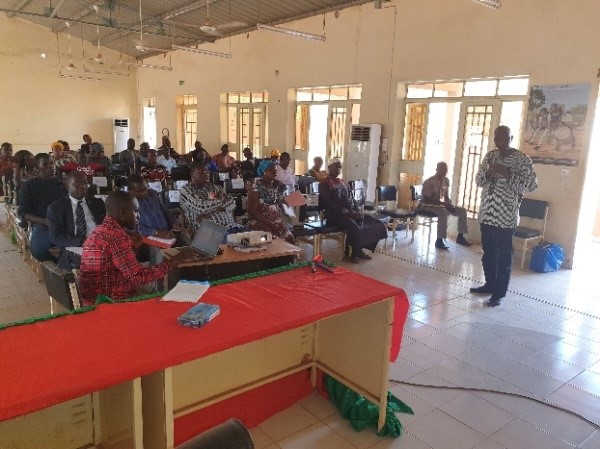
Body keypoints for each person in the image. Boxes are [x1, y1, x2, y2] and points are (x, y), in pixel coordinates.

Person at [79, 191, 196, 305]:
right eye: (135, 211)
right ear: (122, 212)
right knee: (166, 284)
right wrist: (175, 261)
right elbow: (137, 277)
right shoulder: (117, 236)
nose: (138, 216)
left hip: (96, 297)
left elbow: (120, 266)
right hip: (112, 301)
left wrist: (134, 248)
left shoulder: (101, 230)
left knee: (157, 270)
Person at [470, 125, 537, 307]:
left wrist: (507, 174)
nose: (499, 141)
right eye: (496, 138)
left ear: (511, 138)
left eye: (503, 138)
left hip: (505, 218)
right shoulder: (490, 156)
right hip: (487, 214)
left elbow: (531, 185)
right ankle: (490, 284)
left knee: (504, 256)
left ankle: (499, 293)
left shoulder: (522, 159)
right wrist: (489, 173)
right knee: (488, 253)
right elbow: (478, 180)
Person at [319, 158, 387, 263]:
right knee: (354, 226)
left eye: (340, 166)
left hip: (349, 212)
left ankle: (359, 249)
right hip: (334, 214)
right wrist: (348, 212)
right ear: (329, 167)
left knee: (372, 222)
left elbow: (352, 199)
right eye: (336, 166)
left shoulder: (342, 182)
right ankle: (352, 253)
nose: (338, 169)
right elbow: (329, 204)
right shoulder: (324, 183)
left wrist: (358, 210)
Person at [47, 171, 105, 269]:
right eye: (76, 184)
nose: (83, 186)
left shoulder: (98, 203)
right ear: (67, 187)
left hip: (98, 244)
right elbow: (55, 236)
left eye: (85, 183)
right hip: (75, 247)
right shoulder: (56, 208)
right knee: (92, 260)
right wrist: (82, 241)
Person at [18, 153, 67, 261]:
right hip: (44, 224)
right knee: (38, 250)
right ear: (37, 168)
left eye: (52, 163)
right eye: (45, 164)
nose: (51, 166)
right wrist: (45, 221)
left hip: (66, 222)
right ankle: (57, 265)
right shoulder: (28, 186)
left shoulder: (62, 184)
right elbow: (24, 213)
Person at [128, 174, 183, 265]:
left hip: (165, 232)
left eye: (146, 188)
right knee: (159, 253)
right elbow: (133, 227)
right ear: (131, 190)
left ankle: (181, 272)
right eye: (140, 191)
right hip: (145, 237)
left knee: (185, 243)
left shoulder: (152, 193)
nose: (144, 192)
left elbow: (164, 210)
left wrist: (173, 223)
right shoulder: (128, 203)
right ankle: (157, 276)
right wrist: (156, 232)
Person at [418, 161, 471, 249]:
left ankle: (460, 237)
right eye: (442, 169)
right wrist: (444, 204)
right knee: (442, 211)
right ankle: (439, 240)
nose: (445, 172)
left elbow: (445, 196)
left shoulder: (446, 181)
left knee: (462, 211)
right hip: (425, 206)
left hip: (438, 205)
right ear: (437, 169)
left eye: (446, 170)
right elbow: (427, 199)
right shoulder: (429, 182)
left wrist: (449, 204)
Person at [179, 162, 240, 233]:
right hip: (208, 231)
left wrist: (209, 213)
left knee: (250, 238)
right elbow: (201, 208)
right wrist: (221, 201)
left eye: (206, 171)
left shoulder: (214, 187)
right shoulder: (186, 190)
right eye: (201, 172)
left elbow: (231, 201)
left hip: (231, 226)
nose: (205, 174)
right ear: (192, 174)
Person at [246, 160, 295, 243]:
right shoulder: (255, 187)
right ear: (263, 171)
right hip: (260, 221)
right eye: (271, 170)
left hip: (276, 221)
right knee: (271, 238)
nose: (275, 172)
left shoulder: (276, 185)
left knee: (289, 238)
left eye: (275, 170)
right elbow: (252, 211)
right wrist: (271, 225)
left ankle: (288, 255)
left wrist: (290, 200)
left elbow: (281, 200)